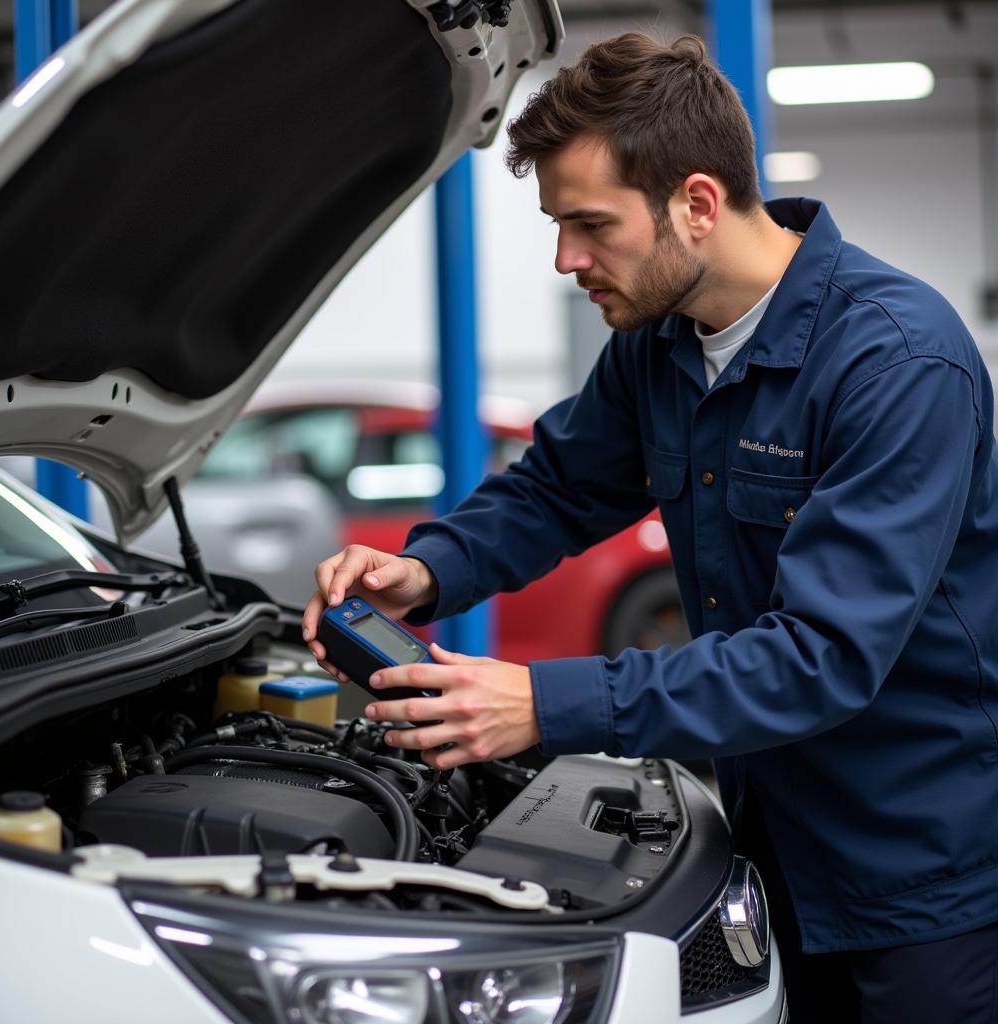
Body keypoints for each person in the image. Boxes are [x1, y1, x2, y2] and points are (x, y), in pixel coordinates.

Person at [301, 33, 998, 1023]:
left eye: (589, 224)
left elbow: (822, 655)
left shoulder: (895, 362)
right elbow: (553, 488)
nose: (563, 260)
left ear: (697, 204)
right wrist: (424, 569)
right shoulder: (658, 346)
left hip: (916, 875)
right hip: (764, 841)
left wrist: (547, 700)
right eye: (556, 226)